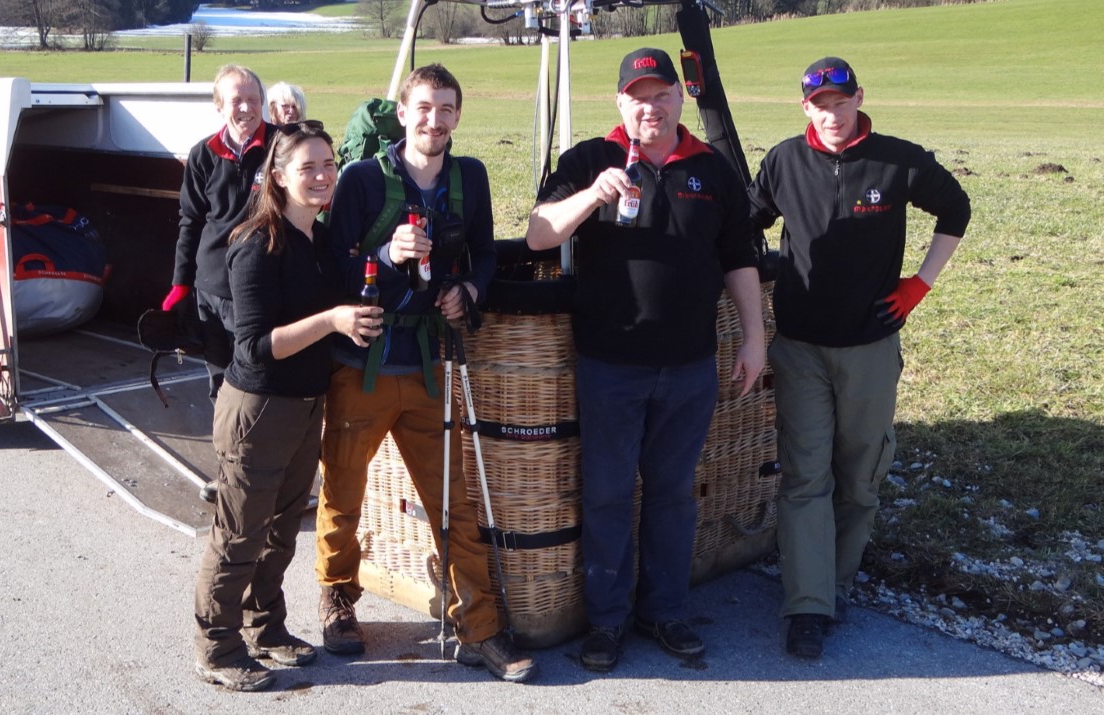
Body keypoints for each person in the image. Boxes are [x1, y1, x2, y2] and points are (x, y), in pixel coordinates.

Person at [526, 47, 765, 673]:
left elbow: (739, 257)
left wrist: (755, 337)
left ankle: (666, 610)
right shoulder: (588, 159)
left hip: (689, 366)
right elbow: (538, 234)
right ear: (620, 104)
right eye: (639, 96)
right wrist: (589, 198)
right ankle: (606, 621)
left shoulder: (710, 168)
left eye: (662, 95)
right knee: (606, 495)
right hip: (611, 364)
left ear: (680, 99)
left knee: (672, 495)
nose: (650, 106)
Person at [316, 64, 537, 684]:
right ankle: (338, 601)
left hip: (432, 366)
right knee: (343, 493)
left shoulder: (471, 177)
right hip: (363, 364)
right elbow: (334, 262)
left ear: (458, 116)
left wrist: (469, 286)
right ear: (403, 111)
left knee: (454, 504)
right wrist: (386, 257)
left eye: (445, 109)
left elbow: (488, 253)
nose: (433, 120)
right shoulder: (362, 179)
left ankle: (481, 630)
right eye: (422, 107)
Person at [747, 57, 971, 660]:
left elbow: (957, 211)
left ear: (858, 99)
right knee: (804, 475)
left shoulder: (899, 160)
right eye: (820, 104)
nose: (832, 113)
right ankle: (808, 606)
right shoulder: (783, 161)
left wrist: (919, 284)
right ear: (806, 109)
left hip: (870, 347)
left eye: (841, 101)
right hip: (799, 347)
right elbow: (745, 225)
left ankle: (837, 581)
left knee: (860, 475)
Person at [193, 121, 384, 691]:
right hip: (258, 408)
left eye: (329, 165)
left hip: (305, 405)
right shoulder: (256, 243)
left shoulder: (320, 241)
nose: (323, 176)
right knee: (238, 533)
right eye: (308, 167)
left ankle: (265, 628)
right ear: (277, 176)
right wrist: (332, 322)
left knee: (280, 531)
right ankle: (217, 647)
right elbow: (253, 346)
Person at [165, 64, 275, 403]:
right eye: (236, 100)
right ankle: (226, 452)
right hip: (210, 288)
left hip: (258, 284)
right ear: (219, 105)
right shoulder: (203, 154)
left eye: (254, 99)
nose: (246, 108)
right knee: (219, 383)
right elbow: (191, 221)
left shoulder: (281, 147)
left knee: (256, 376)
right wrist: (180, 284)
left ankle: (256, 452)